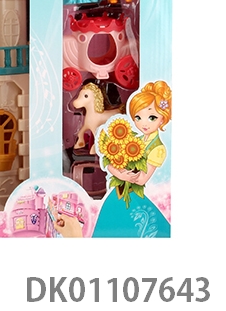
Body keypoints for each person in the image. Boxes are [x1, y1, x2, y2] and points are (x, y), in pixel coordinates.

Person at [55, 81, 172, 238]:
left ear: (162, 119)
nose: (143, 123)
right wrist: (116, 168)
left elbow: (141, 179)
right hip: (117, 192)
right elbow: (108, 162)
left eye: (152, 117)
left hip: (131, 197)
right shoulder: (132, 138)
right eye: (138, 117)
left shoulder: (157, 149)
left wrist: (120, 172)